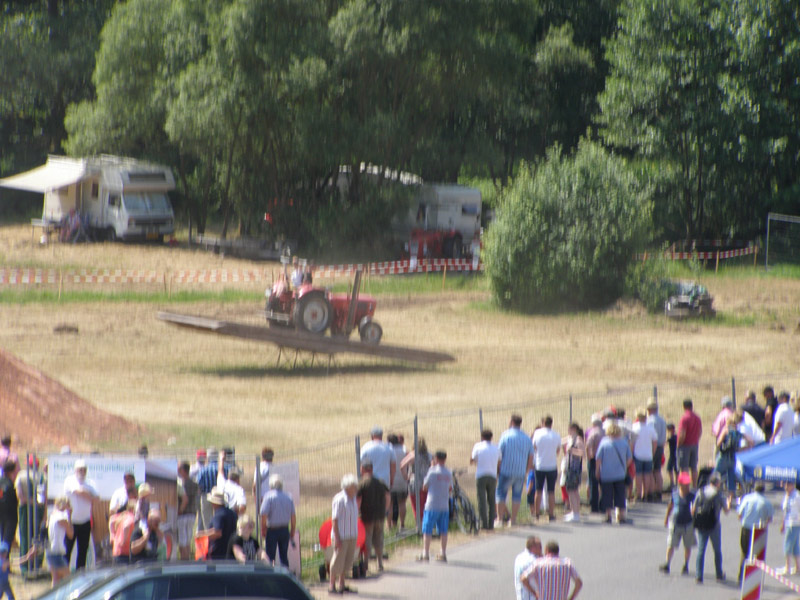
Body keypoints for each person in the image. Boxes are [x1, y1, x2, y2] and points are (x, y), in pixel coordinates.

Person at [692, 472, 731, 584]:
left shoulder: (701, 492)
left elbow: (693, 509)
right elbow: (727, 511)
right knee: (717, 550)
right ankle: (719, 574)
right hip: (714, 525)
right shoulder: (719, 494)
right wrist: (728, 502)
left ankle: (699, 575)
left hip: (702, 524)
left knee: (701, 550)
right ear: (718, 483)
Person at [496, 415, 534, 526]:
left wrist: (498, 468)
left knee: (501, 494)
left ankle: (499, 519)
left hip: (506, 470)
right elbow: (531, 455)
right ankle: (513, 520)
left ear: (512, 422)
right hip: (520, 471)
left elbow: (499, 454)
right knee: (516, 496)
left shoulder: (505, 435)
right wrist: (527, 469)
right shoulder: (526, 437)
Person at [418, 450, 452, 562]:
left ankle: (426, 553)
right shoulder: (448, 472)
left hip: (432, 504)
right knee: (443, 530)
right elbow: (450, 488)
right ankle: (443, 552)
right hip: (444, 504)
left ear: (436, 459)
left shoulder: (432, 471)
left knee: (427, 529)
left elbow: (425, 487)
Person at [63, 459, 97, 569]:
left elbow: (97, 499)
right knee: (67, 551)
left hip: (85, 521)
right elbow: (78, 491)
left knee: (83, 552)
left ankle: (80, 576)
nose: (82, 472)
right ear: (75, 470)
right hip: (71, 522)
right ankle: (63, 575)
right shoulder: (70, 480)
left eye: (84, 470)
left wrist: (88, 495)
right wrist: (89, 495)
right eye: (80, 470)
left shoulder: (90, 483)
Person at [595, 422, 632, 524]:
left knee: (607, 495)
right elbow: (629, 459)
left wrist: (597, 470)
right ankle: (622, 516)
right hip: (620, 474)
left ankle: (608, 516)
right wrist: (624, 466)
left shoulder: (604, 443)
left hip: (606, 474)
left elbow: (598, 459)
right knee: (620, 495)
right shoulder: (624, 443)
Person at [659, 472, 695, 575]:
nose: (687, 486)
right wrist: (666, 518)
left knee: (687, 546)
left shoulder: (692, 495)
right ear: (680, 484)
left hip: (688, 524)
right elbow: (670, 506)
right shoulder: (674, 494)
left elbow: (695, 508)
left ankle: (686, 565)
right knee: (671, 544)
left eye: (688, 484)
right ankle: (667, 564)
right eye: (685, 484)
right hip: (675, 523)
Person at [736, 482, 773, 583]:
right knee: (756, 555)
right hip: (758, 530)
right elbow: (769, 519)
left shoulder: (747, 498)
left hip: (746, 528)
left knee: (744, 552)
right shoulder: (766, 502)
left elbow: (739, 514)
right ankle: (753, 580)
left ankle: (741, 576)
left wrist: (745, 521)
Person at [329, 474, 359, 595]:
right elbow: (334, 520)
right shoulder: (339, 499)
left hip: (352, 535)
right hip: (341, 536)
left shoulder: (353, 498)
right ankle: (332, 586)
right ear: (347, 487)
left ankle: (342, 584)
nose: (356, 488)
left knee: (347, 561)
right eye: (354, 486)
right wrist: (337, 538)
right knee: (337, 561)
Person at [259, 474, 296, 568]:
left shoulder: (268, 497)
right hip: (284, 529)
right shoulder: (289, 497)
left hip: (272, 530)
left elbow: (263, 515)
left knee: (270, 556)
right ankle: (285, 577)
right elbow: (293, 516)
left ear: (270, 485)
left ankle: (270, 576)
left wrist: (263, 528)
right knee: (284, 556)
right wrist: (292, 530)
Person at [357, 461, 386, 572]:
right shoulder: (380, 482)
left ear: (363, 469)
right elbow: (387, 496)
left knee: (367, 540)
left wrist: (357, 512)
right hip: (380, 515)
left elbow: (358, 500)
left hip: (367, 516)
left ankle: (366, 564)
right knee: (379, 539)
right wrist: (385, 510)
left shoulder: (362, 483)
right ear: (372, 469)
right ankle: (380, 563)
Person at [532, 416, 561, 522]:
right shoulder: (556, 435)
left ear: (543, 422)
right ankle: (551, 514)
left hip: (540, 465)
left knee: (538, 490)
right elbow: (558, 451)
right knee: (551, 491)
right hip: (552, 465)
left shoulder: (537, 433)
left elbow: (534, 447)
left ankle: (536, 513)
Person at [471, 429, 500, 530]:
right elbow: (499, 462)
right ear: (491, 437)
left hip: (481, 475)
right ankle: (491, 524)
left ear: (482, 437)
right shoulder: (496, 447)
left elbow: (473, 459)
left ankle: (484, 524)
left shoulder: (478, 446)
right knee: (492, 501)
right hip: (492, 475)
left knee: (481, 500)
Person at [197, 488, 237, 560]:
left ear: (214, 503)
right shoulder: (232, 513)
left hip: (218, 553)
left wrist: (202, 535)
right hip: (231, 552)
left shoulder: (218, 515)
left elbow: (217, 533)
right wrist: (204, 532)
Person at [715, 415, 747, 498]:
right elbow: (751, 442)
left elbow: (718, 443)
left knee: (715, 475)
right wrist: (742, 449)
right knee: (731, 478)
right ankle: (730, 499)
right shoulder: (738, 433)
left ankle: (715, 494)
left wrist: (718, 449)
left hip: (723, 456)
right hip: (733, 458)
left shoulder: (726, 431)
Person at [360, 426, 396, 502]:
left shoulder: (366, 447)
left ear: (372, 436)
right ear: (381, 435)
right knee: (385, 503)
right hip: (385, 480)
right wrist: (392, 479)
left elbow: (361, 465)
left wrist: (362, 478)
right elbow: (393, 466)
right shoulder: (389, 447)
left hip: (369, 480)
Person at [400, 437, 432, 523]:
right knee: (426, 505)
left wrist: (406, 476)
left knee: (416, 506)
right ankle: (427, 524)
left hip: (414, 482)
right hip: (427, 482)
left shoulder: (413, 454)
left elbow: (402, 465)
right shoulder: (429, 455)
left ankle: (419, 525)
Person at [631, 409, 658, 502]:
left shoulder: (634, 428)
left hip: (637, 454)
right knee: (647, 474)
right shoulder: (650, 428)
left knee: (638, 475)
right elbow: (655, 442)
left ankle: (638, 494)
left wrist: (631, 454)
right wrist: (652, 453)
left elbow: (632, 443)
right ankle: (645, 494)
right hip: (648, 455)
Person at [46, 497, 73, 587]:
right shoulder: (61, 517)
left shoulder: (52, 515)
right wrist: (69, 516)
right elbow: (71, 534)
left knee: (56, 579)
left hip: (50, 550)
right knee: (68, 579)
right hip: (57, 551)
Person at [677, 399, 703, 488]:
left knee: (684, 468)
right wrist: (695, 440)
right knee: (694, 467)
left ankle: (685, 487)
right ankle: (695, 486)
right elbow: (700, 432)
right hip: (694, 445)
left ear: (684, 407)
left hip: (685, 445)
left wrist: (679, 444)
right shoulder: (697, 417)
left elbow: (682, 434)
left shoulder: (684, 418)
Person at [777, 479, 800, 575]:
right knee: (794, 546)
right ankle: (798, 567)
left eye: (788, 485)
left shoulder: (797, 496)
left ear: (792, 485)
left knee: (788, 545)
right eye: (785, 484)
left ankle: (787, 567)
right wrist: (782, 524)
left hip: (794, 523)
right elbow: (785, 511)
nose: (786, 487)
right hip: (788, 522)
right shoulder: (787, 496)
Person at [646, 400, 667, 501]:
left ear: (649, 410)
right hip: (661, 446)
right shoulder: (662, 419)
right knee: (658, 470)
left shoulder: (650, 421)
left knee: (650, 470)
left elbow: (651, 436)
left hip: (653, 447)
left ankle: (652, 490)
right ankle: (659, 491)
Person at [177, 462, 198, 560]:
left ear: (183, 470)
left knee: (182, 542)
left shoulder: (181, 484)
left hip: (183, 514)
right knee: (188, 541)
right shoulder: (195, 484)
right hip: (192, 514)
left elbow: (185, 500)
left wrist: (180, 510)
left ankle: (184, 562)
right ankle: (189, 560)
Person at [563, 423, 584, 522]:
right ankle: (573, 511)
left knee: (572, 491)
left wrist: (571, 450)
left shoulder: (578, 440)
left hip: (574, 469)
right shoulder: (571, 438)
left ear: (574, 429)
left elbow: (582, 453)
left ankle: (576, 513)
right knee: (572, 490)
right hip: (570, 468)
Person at [387, 434, 408, 530]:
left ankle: (389, 525)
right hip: (402, 480)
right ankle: (402, 525)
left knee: (389, 505)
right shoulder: (404, 450)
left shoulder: (387, 451)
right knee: (402, 503)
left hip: (390, 480)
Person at [584, 415, 604, 513]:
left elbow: (588, 446)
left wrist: (589, 457)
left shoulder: (593, 433)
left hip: (594, 459)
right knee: (604, 483)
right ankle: (604, 504)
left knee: (593, 483)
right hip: (605, 460)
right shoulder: (605, 432)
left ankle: (594, 506)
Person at [514, 536, 542, 600]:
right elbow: (524, 579)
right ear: (533, 548)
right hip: (531, 594)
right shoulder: (533, 560)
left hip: (521, 592)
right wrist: (535, 593)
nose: (541, 549)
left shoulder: (519, 557)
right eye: (539, 547)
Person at [109, 500, 137, 565]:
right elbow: (126, 526)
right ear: (132, 509)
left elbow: (112, 520)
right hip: (124, 552)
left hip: (116, 551)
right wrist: (124, 540)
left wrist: (112, 534)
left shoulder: (122, 516)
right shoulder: (131, 516)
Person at [0, 462, 17, 550]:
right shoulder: (10, 485)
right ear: (11, 472)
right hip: (10, 517)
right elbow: (14, 502)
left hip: (1, 516)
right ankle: (4, 561)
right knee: (6, 542)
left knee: (2, 540)